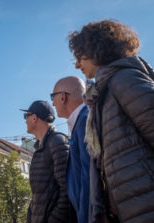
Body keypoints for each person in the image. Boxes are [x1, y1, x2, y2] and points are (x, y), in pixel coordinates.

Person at [68, 19, 154, 223]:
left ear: (97, 50)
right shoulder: (103, 93)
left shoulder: (124, 80)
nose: (77, 64)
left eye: (80, 56)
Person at [21, 100, 69, 223]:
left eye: (26, 116)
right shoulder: (40, 147)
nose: (25, 120)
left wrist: (54, 220)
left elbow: (67, 190)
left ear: (34, 118)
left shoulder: (57, 142)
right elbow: (38, 195)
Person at [51, 76, 90, 223]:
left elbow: (88, 179)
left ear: (62, 97)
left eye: (52, 96)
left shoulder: (84, 121)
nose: (52, 103)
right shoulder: (80, 121)